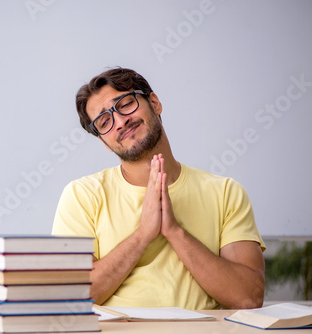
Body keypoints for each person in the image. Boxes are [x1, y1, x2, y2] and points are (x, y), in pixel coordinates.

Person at [52, 67, 265, 310]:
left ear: (154, 102)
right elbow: (72, 297)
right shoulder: (81, 196)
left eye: (124, 104)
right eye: (104, 121)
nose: (120, 121)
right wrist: (143, 234)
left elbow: (248, 297)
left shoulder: (226, 192)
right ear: (104, 142)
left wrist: (174, 231)